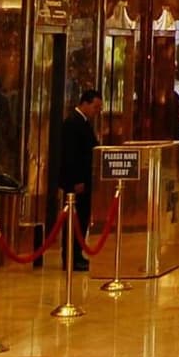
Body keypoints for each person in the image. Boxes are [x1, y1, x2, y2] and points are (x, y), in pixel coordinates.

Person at [60, 89, 102, 270]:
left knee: (83, 218)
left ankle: (77, 253)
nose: (97, 111)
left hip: (85, 180)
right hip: (77, 182)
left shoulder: (84, 123)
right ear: (84, 103)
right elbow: (71, 156)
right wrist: (76, 180)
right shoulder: (72, 123)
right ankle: (71, 256)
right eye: (95, 107)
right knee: (75, 219)